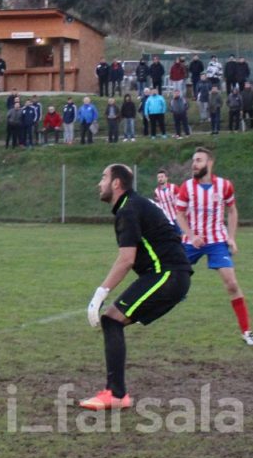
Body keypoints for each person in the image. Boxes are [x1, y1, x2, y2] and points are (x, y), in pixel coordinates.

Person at [80, 164, 192, 411]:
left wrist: (99, 294)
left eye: (103, 177)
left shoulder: (128, 209)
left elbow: (126, 259)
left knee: (111, 319)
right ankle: (116, 392)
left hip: (167, 275)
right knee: (112, 321)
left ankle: (117, 395)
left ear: (116, 183)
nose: (99, 183)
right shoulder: (134, 204)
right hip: (170, 275)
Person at [173, 147, 253, 346]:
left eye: (199, 160)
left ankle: (246, 331)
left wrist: (232, 237)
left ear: (210, 163)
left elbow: (232, 211)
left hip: (217, 240)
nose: (194, 164)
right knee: (170, 277)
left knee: (232, 284)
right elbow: (180, 215)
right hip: (193, 241)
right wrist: (191, 236)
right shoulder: (186, 187)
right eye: (193, 160)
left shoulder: (224, 185)